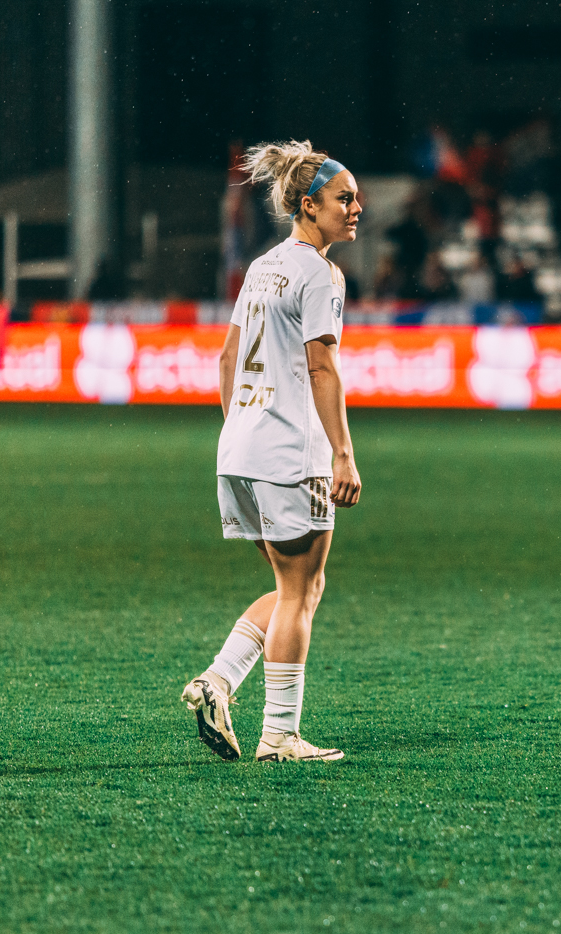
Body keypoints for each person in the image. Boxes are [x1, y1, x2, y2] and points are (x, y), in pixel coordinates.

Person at [181, 139, 363, 764]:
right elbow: (321, 366)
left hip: (240, 451)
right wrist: (342, 453)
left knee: (296, 589)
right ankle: (278, 734)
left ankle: (218, 682)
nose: (355, 208)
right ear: (309, 206)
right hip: (290, 454)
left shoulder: (262, 267)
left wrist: (242, 428)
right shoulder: (320, 273)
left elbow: (228, 357)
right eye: (344, 198)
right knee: (300, 590)